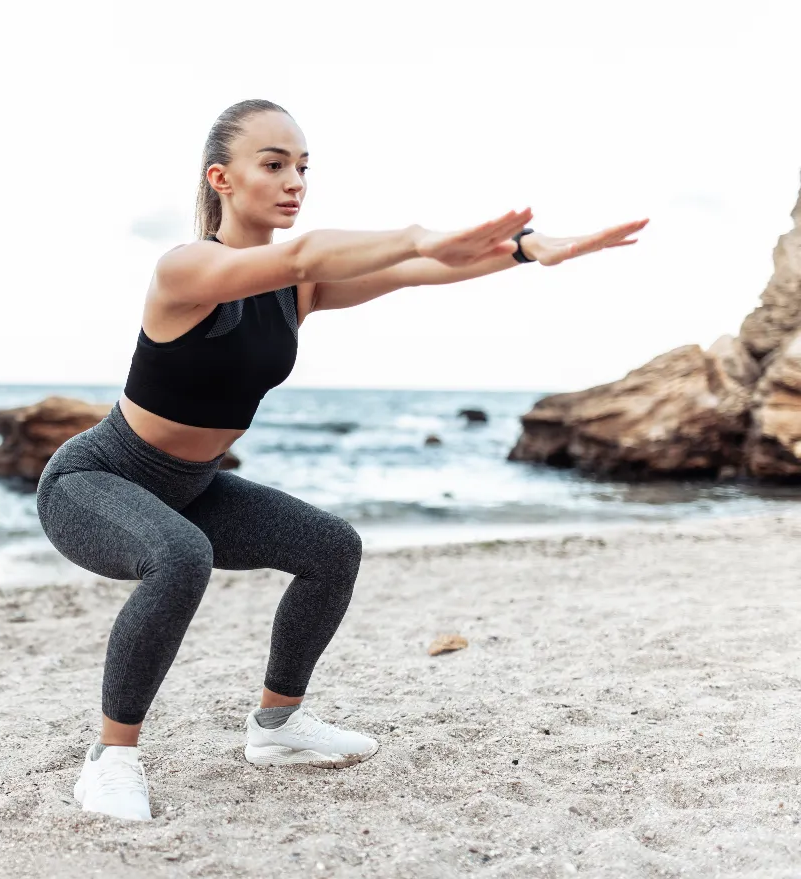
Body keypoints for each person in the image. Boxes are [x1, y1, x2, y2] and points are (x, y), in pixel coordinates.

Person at [36, 98, 648, 822]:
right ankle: (111, 760)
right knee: (181, 555)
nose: (295, 179)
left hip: (191, 486)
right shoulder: (187, 269)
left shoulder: (299, 288)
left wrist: (524, 251)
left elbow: (419, 269)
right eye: (273, 164)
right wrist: (419, 231)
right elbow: (315, 249)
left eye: (302, 165)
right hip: (95, 481)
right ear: (221, 179)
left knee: (331, 547)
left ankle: (278, 726)